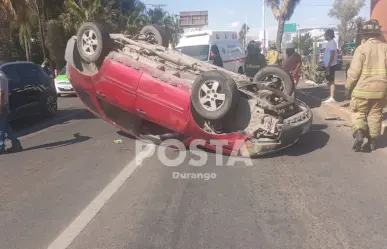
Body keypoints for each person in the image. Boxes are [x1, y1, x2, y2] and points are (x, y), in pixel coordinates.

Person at [345, 19, 387, 152]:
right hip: (381, 90)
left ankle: (359, 132)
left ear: (365, 34)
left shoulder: (361, 49)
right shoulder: (385, 48)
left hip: (362, 89)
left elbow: (354, 72)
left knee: (358, 112)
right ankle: (373, 142)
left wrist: (348, 87)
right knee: (376, 114)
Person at [0, 71, 23, 154]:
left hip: (2, 106)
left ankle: (1, 147)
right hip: (3, 105)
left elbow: (1, 93)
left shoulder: (0, 77)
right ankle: (16, 144)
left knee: (1, 128)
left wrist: (0, 107)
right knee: (5, 128)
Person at [322, 29, 339, 103]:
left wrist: (329, 65)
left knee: (331, 81)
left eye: (325, 34)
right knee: (329, 80)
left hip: (331, 65)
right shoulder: (330, 43)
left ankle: (332, 97)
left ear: (328, 35)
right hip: (328, 65)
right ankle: (331, 96)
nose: (324, 36)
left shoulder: (332, 42)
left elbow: (332, 54)